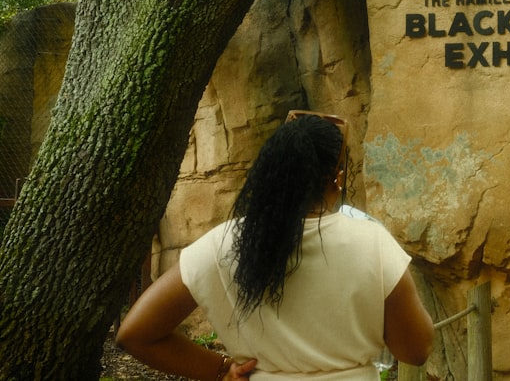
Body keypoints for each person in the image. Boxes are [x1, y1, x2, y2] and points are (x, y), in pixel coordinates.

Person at [117, 113, 434, 380]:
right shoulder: (372, 243)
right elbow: (416, 350)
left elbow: (136, 334)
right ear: (336, 179)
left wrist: (220, 370)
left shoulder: (222, 243)